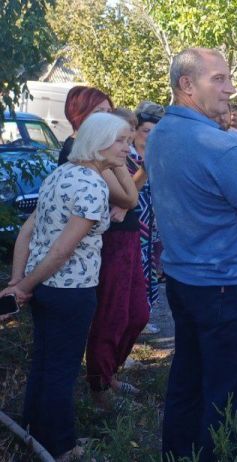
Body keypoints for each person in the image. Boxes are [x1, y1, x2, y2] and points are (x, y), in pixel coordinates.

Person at [147, 47, 237, 461]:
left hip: (182, 282)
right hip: (225, 287)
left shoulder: (159, 134)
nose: (230, 89)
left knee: (187, 381)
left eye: (229, 78)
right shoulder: (221, 146)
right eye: (219, 79)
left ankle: (177, 455)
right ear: (186, 85)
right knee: (229, 397)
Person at [1, 113, 128, 461]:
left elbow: (27, 232)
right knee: (62, 369)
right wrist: (22, 286)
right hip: (71, 291)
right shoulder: (93, 185)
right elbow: (61, 251)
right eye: (120, 140)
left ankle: (32, 434)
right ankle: (61, 446)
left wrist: (19, 281)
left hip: (44, 288)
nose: (127, 148)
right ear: (99, 142)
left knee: (44, 362)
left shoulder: (59, 174)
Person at [84, 107, 150, 408]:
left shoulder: (121, 158)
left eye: (131, 131)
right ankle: (99, 385)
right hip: (113, 239)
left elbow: (130, 196)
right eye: (122, 134)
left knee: (138, 314)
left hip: (131, 236)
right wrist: (134, 183)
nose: (130, 138)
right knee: (113, 313)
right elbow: (128, 197)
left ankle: (109, 371)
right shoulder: (97, 158)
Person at [132, 101, 165, 335]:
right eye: (146, 131)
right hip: (135, 220)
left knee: (151, 268)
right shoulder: (127, 157)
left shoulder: (159, 156)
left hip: (154, 221)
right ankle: (135, 319)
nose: (149, 136)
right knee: (137, 268)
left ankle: (144, 315)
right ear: (135, 131)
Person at [57, 86, 114, 165]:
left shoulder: (95, 145)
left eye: (109, 112)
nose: (107, 117)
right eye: (98, 112)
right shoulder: (77, 150)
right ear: (80, 114)